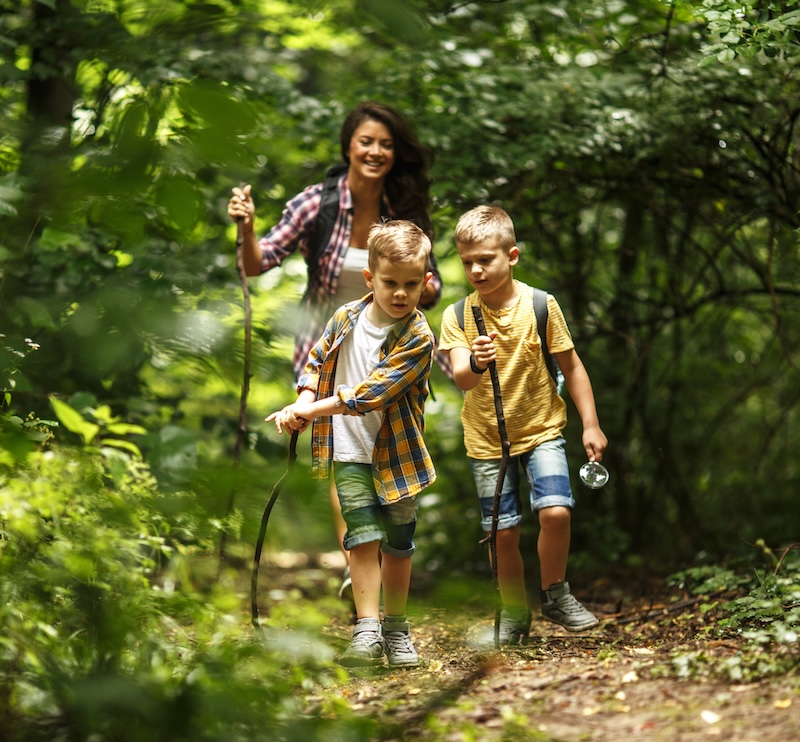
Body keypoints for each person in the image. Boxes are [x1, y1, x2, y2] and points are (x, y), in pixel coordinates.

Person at [227, 101, 442, 600]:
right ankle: (358, 561)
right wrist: (246, 227)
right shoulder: (315, 205)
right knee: (344, 450)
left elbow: (429, 288)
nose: (376, 151)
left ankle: (379, 556)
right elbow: (258, 264)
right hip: (329, 345)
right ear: (348, 144)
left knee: (387, 443)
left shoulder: (403, 208)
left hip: (391, 347)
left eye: (386, 144)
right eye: (367, 140)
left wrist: (410, 287)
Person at [266, 220, 436, 667]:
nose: (401, 293)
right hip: (347, 453)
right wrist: (302, 400)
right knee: (360, 539)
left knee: (398, 545)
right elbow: (317, 360)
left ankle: (397, 629)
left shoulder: (418, 337)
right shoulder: (345, 317)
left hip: (397, 457)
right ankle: (367, 629)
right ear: (369, 279)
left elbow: (369, 394)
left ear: (426, 282)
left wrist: (309, 410)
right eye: (390, 283)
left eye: (411, 284)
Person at [438, 205, 607, 645]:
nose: (475, 270)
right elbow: (461, 377)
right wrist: (476, 360)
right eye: (467, 262)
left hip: (542, 428)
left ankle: (555, 593)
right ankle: (513, 611)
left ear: (511, 256)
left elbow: (571, 368)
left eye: (485, 260)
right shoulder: (458, 315)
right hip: (486, 437)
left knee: (555, 511)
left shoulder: (540, 305)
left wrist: (591, 424)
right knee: (502, 532)